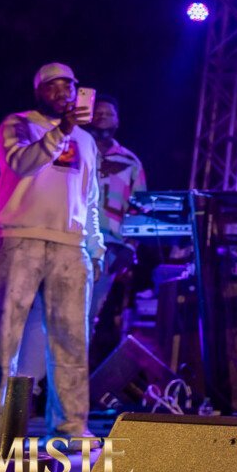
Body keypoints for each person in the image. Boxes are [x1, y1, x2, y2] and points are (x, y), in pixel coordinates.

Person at [0, 63, 105, 442]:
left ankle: (70, 428)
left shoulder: (87, 140)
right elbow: (22, 163)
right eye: (52, 87)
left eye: (69, 86)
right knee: (3, 336)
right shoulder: (17, 124)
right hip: (20, 238)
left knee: (71, 341)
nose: (62, 92)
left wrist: (95, 246)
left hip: (70, 246)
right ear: (38, 92)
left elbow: (90, 198)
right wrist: (61, 131)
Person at [87, 94, 146, 334]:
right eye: (97, 113)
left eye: (108, 114)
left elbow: (140, 207)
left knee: (90, 312)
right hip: (71, 238)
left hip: (110, 246)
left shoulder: (130, 162)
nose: (102, 117)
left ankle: (78, 359)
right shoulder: (75, 150)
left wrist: (130, 247)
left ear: (117, 120)